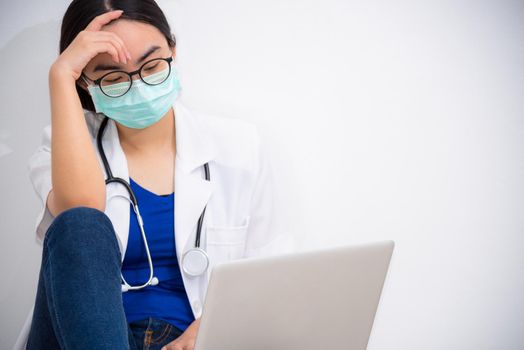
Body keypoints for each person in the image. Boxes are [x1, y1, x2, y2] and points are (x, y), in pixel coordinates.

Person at [14, 1, 295, 349]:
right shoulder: (63, 148)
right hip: (85, 339)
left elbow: (274, 271)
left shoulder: (238, 146)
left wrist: (209, 329)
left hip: (191, 341)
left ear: (173, 50)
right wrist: (60, 77)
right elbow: (81, 214)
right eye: (113, 77)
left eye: (151, 66)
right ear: (86, 82)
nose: (138, 86)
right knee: (81, 225)